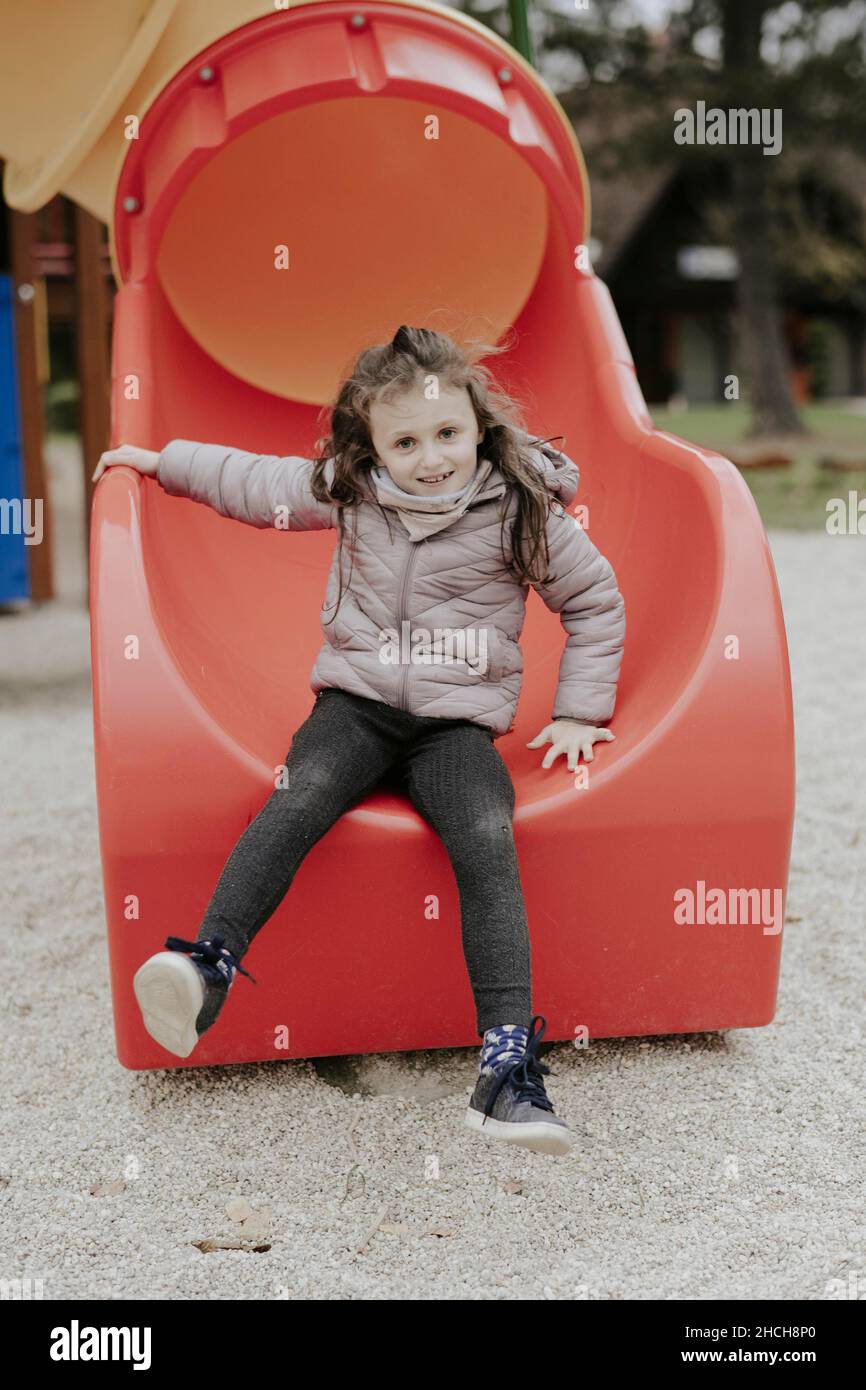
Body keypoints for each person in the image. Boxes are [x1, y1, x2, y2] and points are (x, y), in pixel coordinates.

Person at [93, 325, 626, 1156]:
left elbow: (594, 599)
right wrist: (160, 461)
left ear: (477, 428)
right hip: (357, 707)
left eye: (447, 434)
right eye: (405, 441)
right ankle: (207, 966)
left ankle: (505, 1069)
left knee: (487, 835)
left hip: (454, 727)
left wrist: (579, 712)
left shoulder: (519, 508)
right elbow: (255, 482)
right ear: (372, 446)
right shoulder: (354, 490)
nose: (431, 457)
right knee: (297, 794)